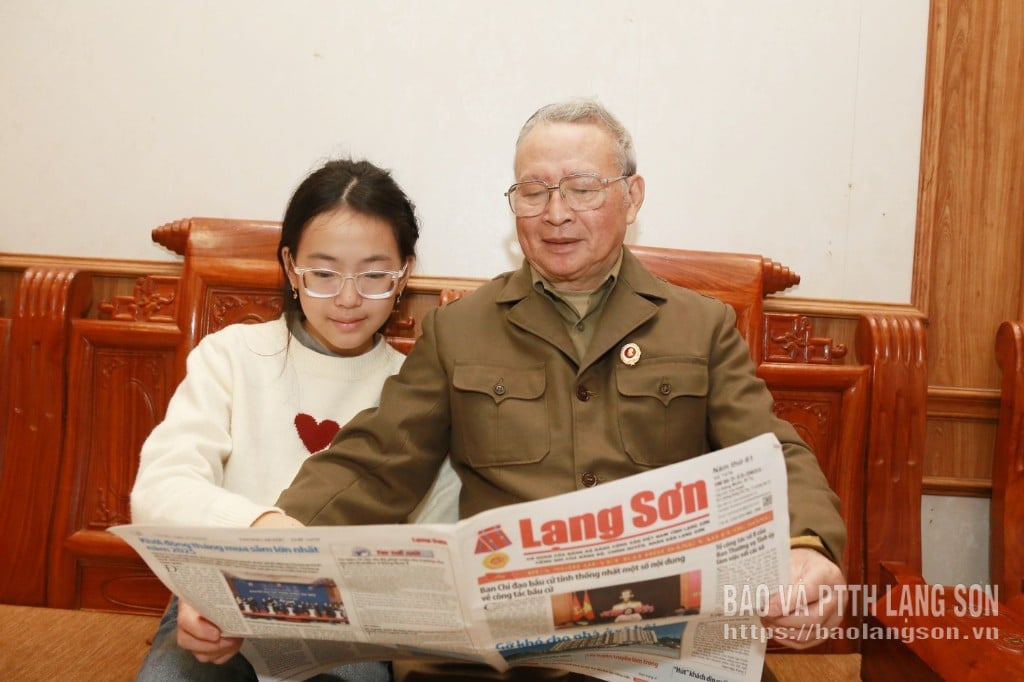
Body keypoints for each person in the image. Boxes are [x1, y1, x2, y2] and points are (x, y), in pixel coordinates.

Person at [258, 99, 849, 677]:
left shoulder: (702, 327)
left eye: (582, 188)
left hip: (661, 641)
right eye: (533, 192)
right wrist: (281, 536)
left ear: (632, 196)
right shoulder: (459, 330)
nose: (556, 213)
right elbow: (378, 461)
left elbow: (773, 454)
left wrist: (809, 550)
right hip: (504, 652)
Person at [129, 158, 459, 681]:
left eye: (374, 275)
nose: (348, 298)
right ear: (289, 267)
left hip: (350, 621)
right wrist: (259, 535)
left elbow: (438, 531)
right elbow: (162, 487)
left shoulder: (417, 385)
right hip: (219, 599)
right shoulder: (232, 355)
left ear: (405, 273)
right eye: (324, 273)